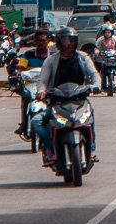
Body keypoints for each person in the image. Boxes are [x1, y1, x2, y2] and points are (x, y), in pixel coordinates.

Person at [33, 28, 100, 163]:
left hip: (79, 101)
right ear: (59, 43)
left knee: (89, 118)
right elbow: (43, 80)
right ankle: (51, 148)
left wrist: (96, 86)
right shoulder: (51, 60)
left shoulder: (83, 57)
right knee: (37, 121)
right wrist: (41, 91)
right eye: (65, 41)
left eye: (72, 41)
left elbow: (94, 74)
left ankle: (91, 150)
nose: (69, 44)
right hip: (57, 102)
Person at [13, 29, 52, 136]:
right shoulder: (28, 54)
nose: (41, 43)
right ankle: (24, 124)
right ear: (34, 41)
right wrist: (18, 73)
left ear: (48, 41)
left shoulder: (53, 55)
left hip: (48, 85)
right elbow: (21, 66)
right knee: (25, 99)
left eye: (43, 40)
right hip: (30, 85)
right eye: (38, 41)